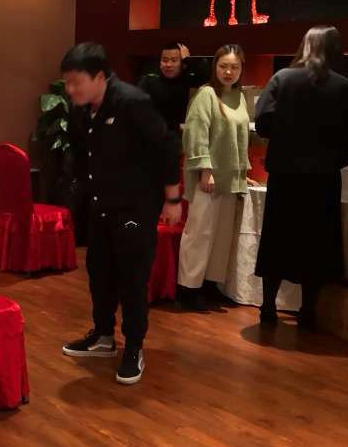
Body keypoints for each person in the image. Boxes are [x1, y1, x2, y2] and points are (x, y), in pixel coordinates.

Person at [61, 42, 182, 385]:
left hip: (135, 207)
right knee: (99, 272)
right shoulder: (81, 109)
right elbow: (81, 154)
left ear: (99, 77)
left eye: (76, 82)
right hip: (101, 204)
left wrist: (172, 199)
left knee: (132, 278)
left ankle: (134, 347)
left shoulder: (132, 102)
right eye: (67, 83)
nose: (70, 90)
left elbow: (166, 148)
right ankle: (103, 336)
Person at [255, 25, 348, 329]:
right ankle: (308, 311)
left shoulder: (282, 78)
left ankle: (268, 307)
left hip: (285, 176)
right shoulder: (342, 86)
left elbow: (262, 123)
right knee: (317, 245)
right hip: (323, 178)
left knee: (277, 241)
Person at [177, 45, 256, 311]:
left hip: (231, 178)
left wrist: (243, 172)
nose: (228, 72)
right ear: (215, 67)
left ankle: (210, 286)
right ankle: (188, 289)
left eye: (234, 67)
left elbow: (240, 140)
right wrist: (205, 171)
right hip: (208, 178)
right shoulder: (206, 95)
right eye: (223, 66)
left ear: (241, 69)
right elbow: (196, 135)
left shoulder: (240, 97)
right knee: (200, 233)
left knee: (222, 236)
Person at [137, 43, 209, 154]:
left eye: (174, 60)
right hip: (153, 137)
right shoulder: (148, 81)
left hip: (182, 139)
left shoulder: (188, 80)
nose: (168, 64)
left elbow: (207, 78)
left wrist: (188, 60)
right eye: (165, 60)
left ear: (182, 64)